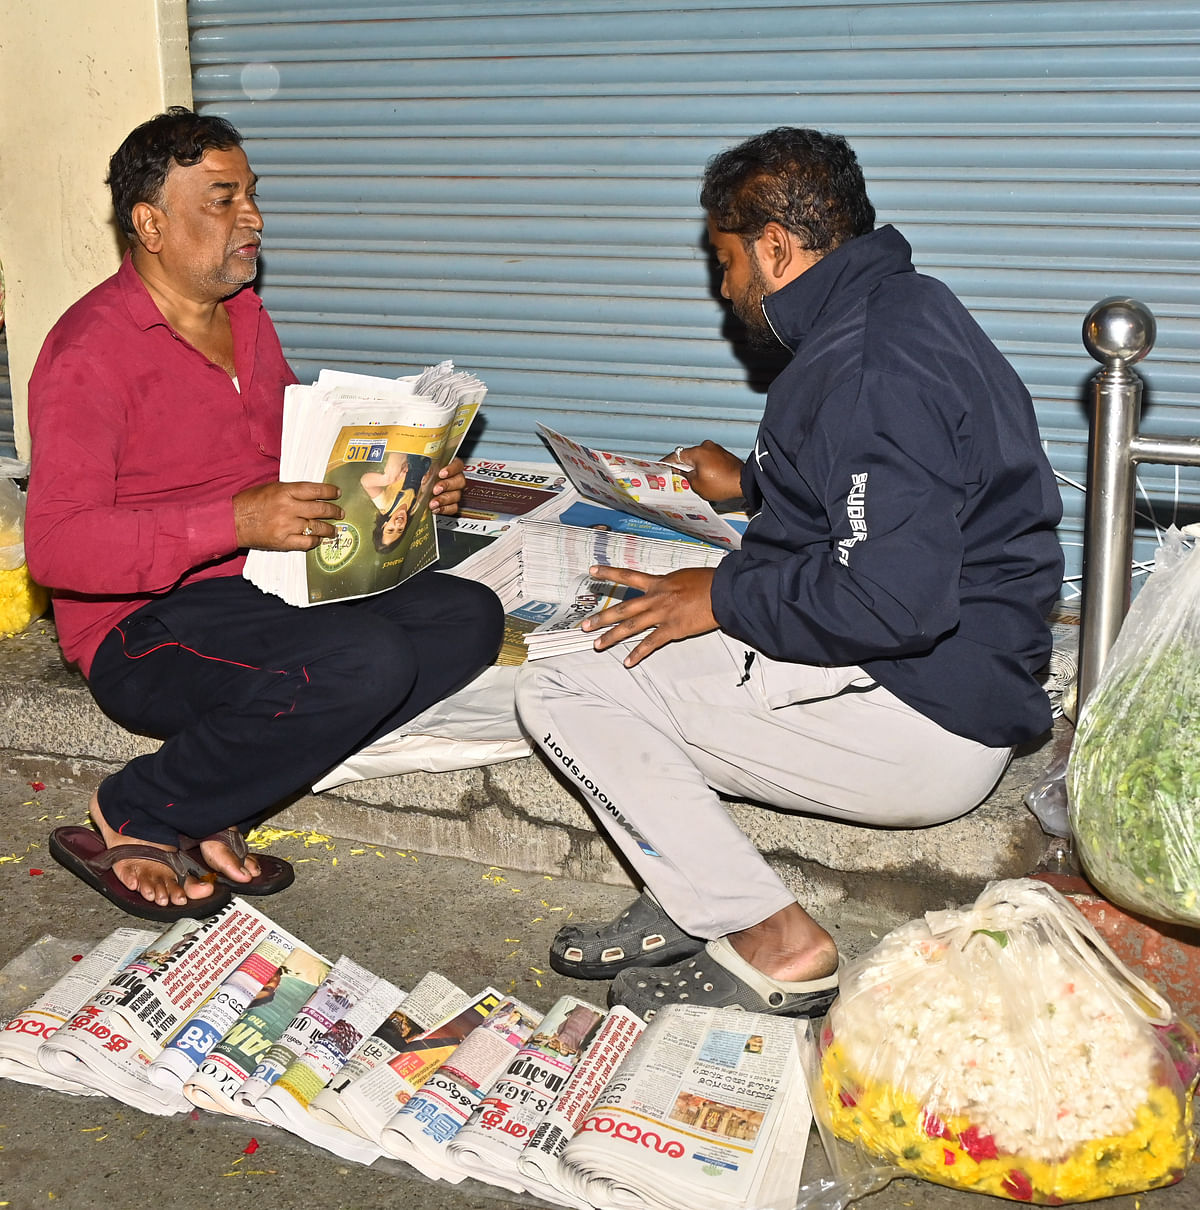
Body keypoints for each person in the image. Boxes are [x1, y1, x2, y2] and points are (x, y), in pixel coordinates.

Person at [515, 127, 1063, 1019]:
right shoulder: (903, 308)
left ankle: (777, 942)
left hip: (919, 712)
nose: (723, 287)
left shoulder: (864, 366)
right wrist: (752, 482)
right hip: (942, 672)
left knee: (565, 689)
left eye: (726, 261)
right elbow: (894, 479)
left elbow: (890, 598)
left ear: (776, 247)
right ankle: (701, 885)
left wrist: (722, 597)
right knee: (636, 646)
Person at [25, 107, 503, 923]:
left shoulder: (244, 316)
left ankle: (223, 796)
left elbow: (291, 469)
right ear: (149, 223)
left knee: (469, 616)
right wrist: (233, 523)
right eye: (222, 199)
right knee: (366, 661)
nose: (252, 217)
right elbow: (58, 549)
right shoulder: (89, 354)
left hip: (263, 584)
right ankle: (142, 806)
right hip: (146, 627)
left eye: (251, 195)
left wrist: (405, 487)